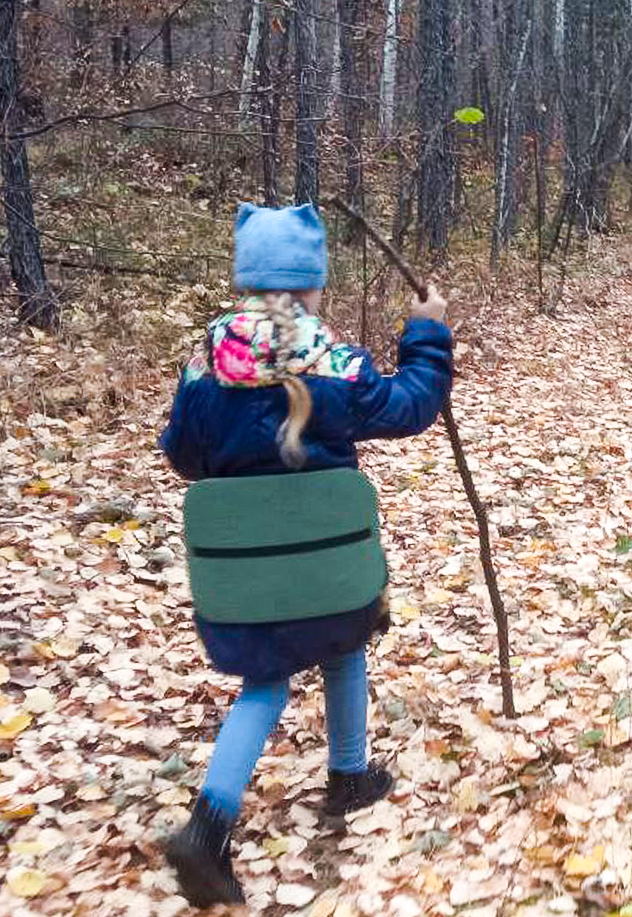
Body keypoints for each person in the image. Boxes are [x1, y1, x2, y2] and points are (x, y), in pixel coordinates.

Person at [158, 203, 452, 907]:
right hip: (329, 567)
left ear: (246, 280)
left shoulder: (207, 360)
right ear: (312, 283)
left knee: (265, 682)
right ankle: (348, 776)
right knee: (343, 635)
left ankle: (210, 826)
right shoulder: (333, 359)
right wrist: (428, 331)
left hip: (244, 573)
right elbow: (412, 407)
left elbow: (182, 454)